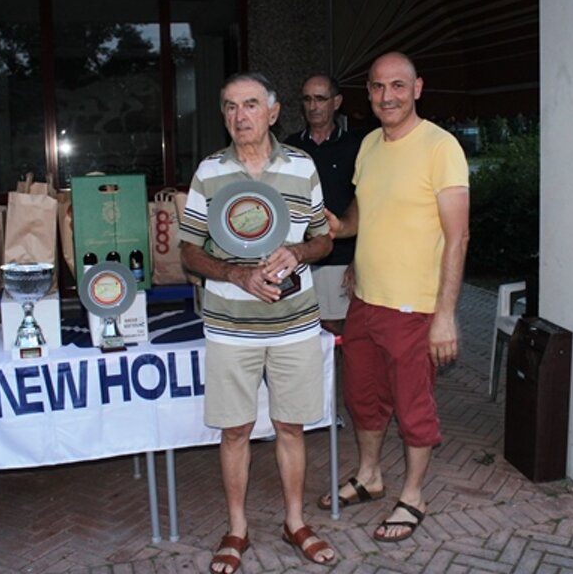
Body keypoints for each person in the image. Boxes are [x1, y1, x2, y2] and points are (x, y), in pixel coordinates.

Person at [178, 72, 336, 573]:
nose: (239, 115)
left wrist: (298, 253)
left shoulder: (302, 166)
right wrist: (235, 274)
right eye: (229, 106)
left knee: (291, 426)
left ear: (273, 112)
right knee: (235, 430)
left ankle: (295, 522)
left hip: (295, 324)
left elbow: (323, 239)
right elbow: (188, 250)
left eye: (249, 104)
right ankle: (237, 528)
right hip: (230, 325)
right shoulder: (209, 171)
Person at [320, 52, 470, 542]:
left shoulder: (440, 147)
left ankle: (414, 495)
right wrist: (343, 227)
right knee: (361, 397)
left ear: (417, 88)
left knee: (412, 406)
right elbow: (367, 206)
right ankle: (370, 475)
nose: (388, 96)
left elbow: (458, 237)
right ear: (368, 93)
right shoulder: (369, 144)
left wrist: (445, 316)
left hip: (414, 307)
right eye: (378, 87)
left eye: (398, 86)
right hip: (365, 300)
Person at [284, 75, 360, 334]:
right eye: (307, 99)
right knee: (300, 333)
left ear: (336, 102)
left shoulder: (355, 147)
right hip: (297, 259)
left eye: (320, 99)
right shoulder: (289, 147)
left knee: (338, 333)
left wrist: (359, 261)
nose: (313, 106)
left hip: (340, 261)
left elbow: (368, 207)